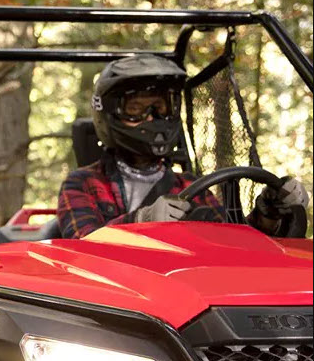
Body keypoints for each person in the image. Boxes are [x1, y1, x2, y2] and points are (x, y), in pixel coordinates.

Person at [57, 55, 309, 239]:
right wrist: (141, 221)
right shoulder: (82, 182)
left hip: (189, 292)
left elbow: (234, 239)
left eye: (160, 108)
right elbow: (80, 246)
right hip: (121, 294)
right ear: (109, 114)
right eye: (136, 109)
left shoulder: (190, 185)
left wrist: (269, 213)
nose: (152, 119)